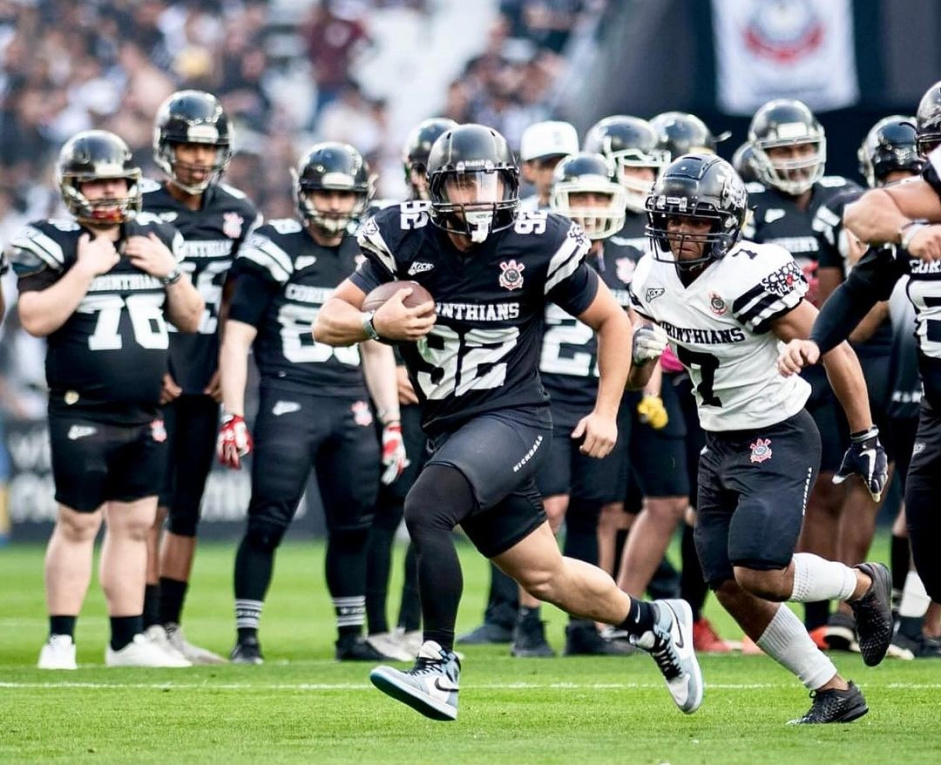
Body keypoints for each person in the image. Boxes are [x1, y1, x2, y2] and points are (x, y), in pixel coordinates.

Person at [313, 123, 702, 722]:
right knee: (547, 577)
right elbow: (326, 321)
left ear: (510, 185)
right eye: (463, 183)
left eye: (489, 182)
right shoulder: (403, 234)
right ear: (435, 188)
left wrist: (606, 411)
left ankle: (437, 665)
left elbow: (613, 321)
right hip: (452, 425)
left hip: (513, 417)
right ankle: (655, 621)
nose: (478, 196)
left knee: (426, 507)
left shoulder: (537, 241)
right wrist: (373, 325)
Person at [628, 152, 892, 724]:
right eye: (674, 218)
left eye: (698, 220)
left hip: (777, 432)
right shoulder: (650, 277)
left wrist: (865, 434)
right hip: (718, 440)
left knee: (759, 571)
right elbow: (637, 377)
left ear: (726, 222)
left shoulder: (748, 273)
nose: (683, 231)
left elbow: (834, 345)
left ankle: (862, 584)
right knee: (728, 585)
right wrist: (640, 360)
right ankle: (832, 690)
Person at [7, 130, 204, 669]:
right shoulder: (51, 240)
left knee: (135, 527)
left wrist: (170, 272)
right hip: (83, 410)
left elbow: (192, 318)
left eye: (117, 181)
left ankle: (125, 640)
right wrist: (86, 269)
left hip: (145, 413)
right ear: (72, 187)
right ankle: (61, 640)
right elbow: (34, 319)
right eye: (96, 183)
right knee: (78, 525)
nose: (109, 192)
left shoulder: (158, 237)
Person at [218, 142, 407, 664]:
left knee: (354, 526)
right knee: (268, 521)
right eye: (325, 194)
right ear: (303, 194)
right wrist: (232, 414)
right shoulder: (275, 246)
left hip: (350, 404)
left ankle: (350, 636)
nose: (335, 205)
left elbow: (375, 346)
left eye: (345, 195)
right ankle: (247, 637)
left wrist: (391, 422)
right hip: (290, 398)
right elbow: (236, 338)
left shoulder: (368, 254)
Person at [143, 89, 262, 665]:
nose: (196, 158)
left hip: (206, 374)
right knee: (148, 507)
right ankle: (139, 626)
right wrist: (148, 367)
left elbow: (240, 298)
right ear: (165, 148)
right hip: (151, 372)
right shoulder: (141, 207)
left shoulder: (240, 212)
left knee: (186, 506)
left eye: (207, 147)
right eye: (187, 146)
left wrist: (225, 363)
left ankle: (168, 626)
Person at [744, 98, 864, 645]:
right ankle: (800, 613)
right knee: (792, 492)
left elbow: (854, 285)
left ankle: (825, 615)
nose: (794, 159)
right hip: (771, 364)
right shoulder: (748, 208)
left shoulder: (843, 199)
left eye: (802, 147)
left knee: (834, 490)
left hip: (830, 357)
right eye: (782, 149)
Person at [506, 151, 633, 657]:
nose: (589, 207)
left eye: (598, 197)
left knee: (595, 513)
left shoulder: (631, 256)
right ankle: (528, 621)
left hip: (600, 399)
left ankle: (587, 625)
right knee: (549, 508)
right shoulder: (540, 249)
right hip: (544, 397)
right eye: (579, 196)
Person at [811, 116, 923, 653]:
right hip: (889, 362)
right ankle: (913, 622)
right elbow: (854, 316)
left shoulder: (852, 209)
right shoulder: (868, 214)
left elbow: (840, 312)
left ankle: (852, 610)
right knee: (897, 487)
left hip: (867, 363)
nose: (902, 183)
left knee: (871, 487)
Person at [366, 117, 458, 662]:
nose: (429, 179)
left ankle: (409, 623)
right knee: (388, 508)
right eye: (423, 169)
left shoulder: (476, 233)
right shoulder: (391, 227)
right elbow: (362, 313)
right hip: (397, 391)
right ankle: (377, 625)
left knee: (429, 513)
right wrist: (392, 367)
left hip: (447, 392)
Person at [518, 120, 579, 212]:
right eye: (549, 165)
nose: (559, 171)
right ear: (528, 170)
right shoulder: (519, 214)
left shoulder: (590, 210)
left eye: (566, 164)